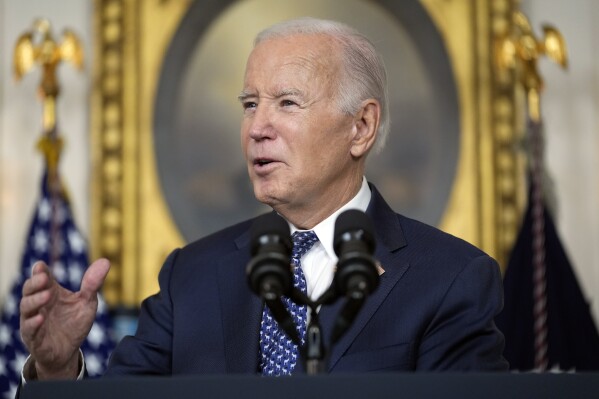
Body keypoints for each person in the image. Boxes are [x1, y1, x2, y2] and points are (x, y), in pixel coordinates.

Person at [19, 17, 508, 381]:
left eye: (287, 103)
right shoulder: (191, 275)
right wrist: (60, 368)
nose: (257, 128)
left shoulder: (451, 280)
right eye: (250, 105)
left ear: (361, 127)